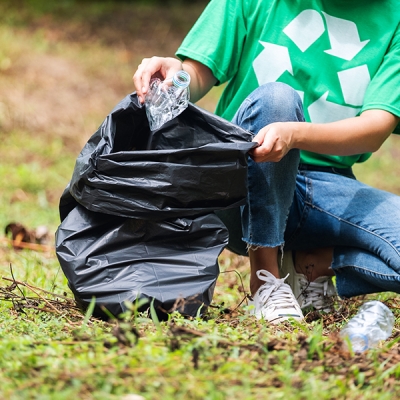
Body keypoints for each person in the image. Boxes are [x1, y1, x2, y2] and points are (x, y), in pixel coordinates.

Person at [133, 0, 400, 323]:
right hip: (239, 184)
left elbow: (374, 128)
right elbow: (198, 73)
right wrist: (177, 76)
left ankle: (315, 263)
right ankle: (265, 279)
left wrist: (295, 135)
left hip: (326, 188)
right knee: (277, 99)